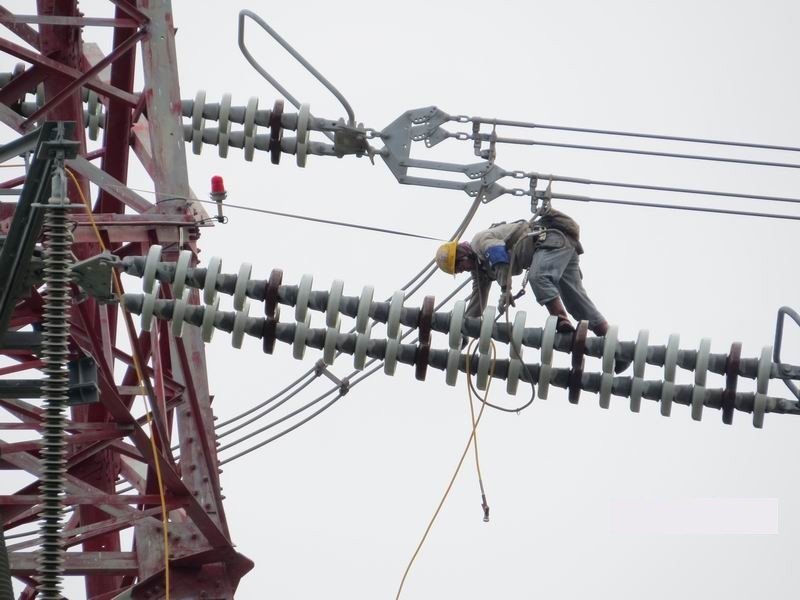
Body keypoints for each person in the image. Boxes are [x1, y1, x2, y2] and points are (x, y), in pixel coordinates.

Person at [435, 208, 611, 337]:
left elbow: (498, 254)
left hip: (550, 241)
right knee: (575, 300)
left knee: (538, 278)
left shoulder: (479, 242)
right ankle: (611, 343)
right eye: (459, 271)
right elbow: (477, 300)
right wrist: (464, 329)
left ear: (462, 253)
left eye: (460, 266)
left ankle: (560, 319)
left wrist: (505, 290)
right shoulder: (481, 270)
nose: (464, 270)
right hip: (558, 248)